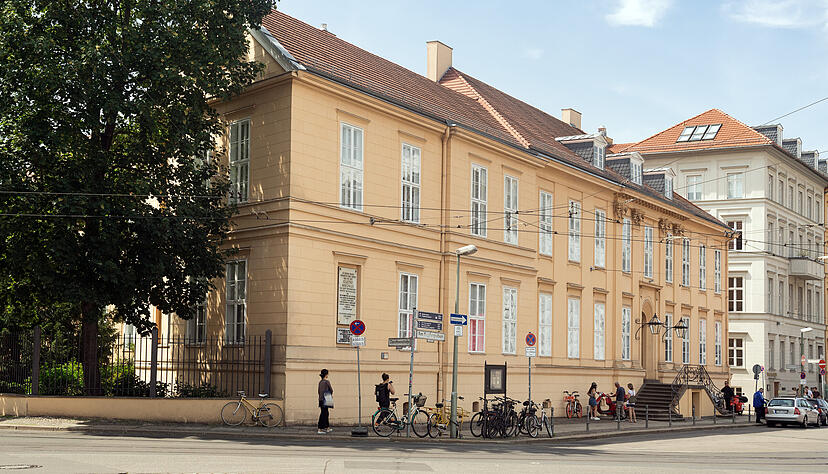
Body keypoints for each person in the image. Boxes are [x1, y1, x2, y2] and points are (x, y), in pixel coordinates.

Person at [317, 368, 333, 434]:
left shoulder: (320, 382)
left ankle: (327, 427)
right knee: (324, 414)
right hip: (326, 399)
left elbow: (318, 391)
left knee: (325, 413)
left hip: (321, 399)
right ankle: (319, 429)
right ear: (326, 375)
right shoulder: (327, 382)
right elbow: (331, 390)